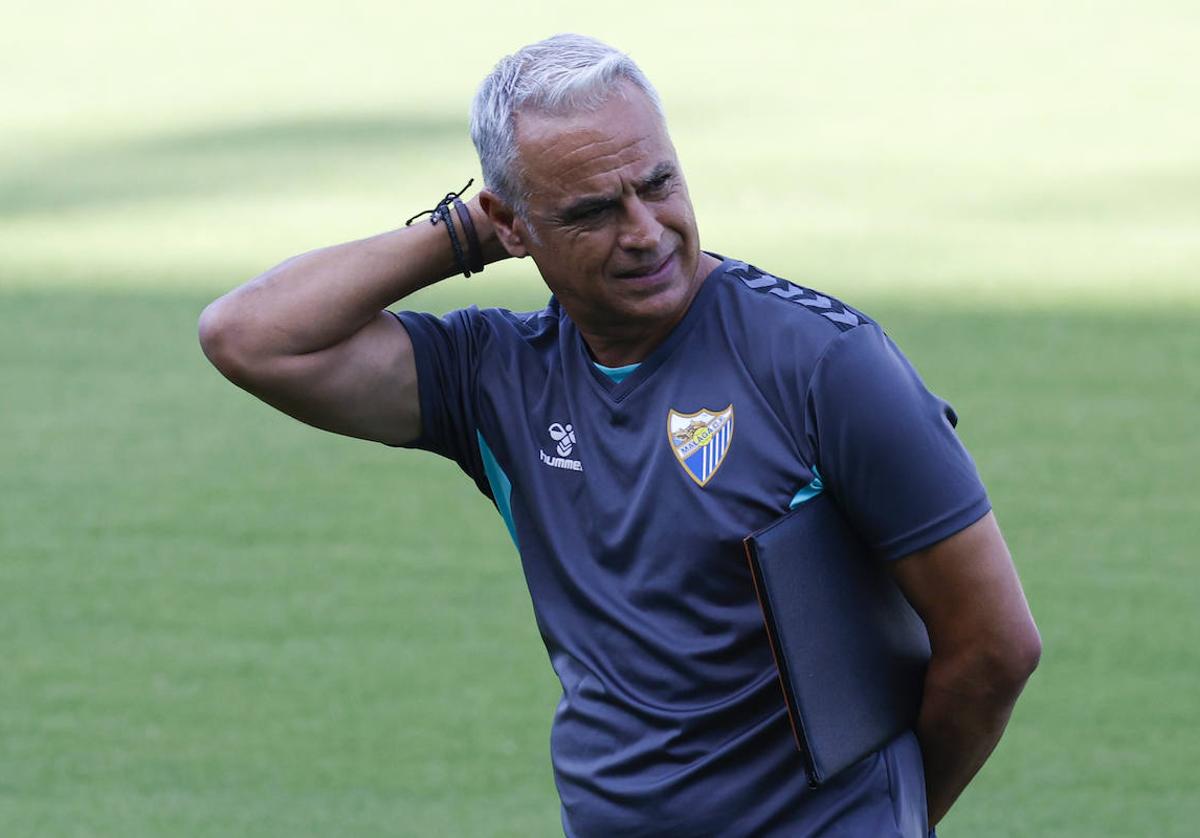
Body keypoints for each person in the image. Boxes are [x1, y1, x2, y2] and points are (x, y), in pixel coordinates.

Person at [198, 33, 1041, 837]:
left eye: (659, 183)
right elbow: (250, 336)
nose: (643, 232)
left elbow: (995, 646)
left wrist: (889, 817)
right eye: (592, 210)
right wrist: (460, 233)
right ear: (513, 226)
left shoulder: (823, 363)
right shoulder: (495, 377)